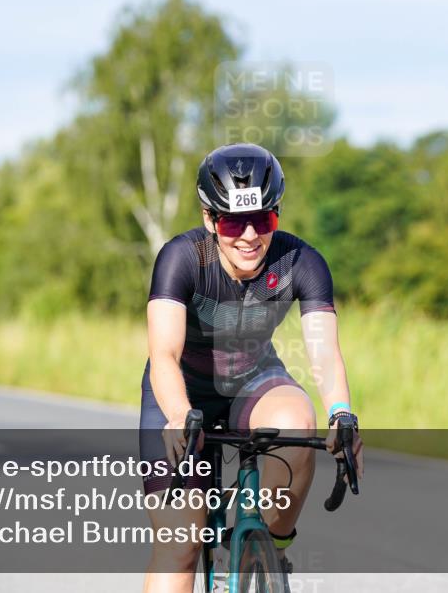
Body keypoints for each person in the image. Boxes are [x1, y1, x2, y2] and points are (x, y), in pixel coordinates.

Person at [140, 143, 363, 593]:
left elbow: (324, 353)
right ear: (209, 218)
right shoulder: (182, 257)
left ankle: (270, 550)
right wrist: (180, 416)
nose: (248, 236)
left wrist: (341, 414)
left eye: (262, 220)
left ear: (276, 214)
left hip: (254, 381)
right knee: (180, 545)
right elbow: (164, 354)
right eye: (231, 222)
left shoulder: (301, 262)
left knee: (298, 422)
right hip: (183, 391)